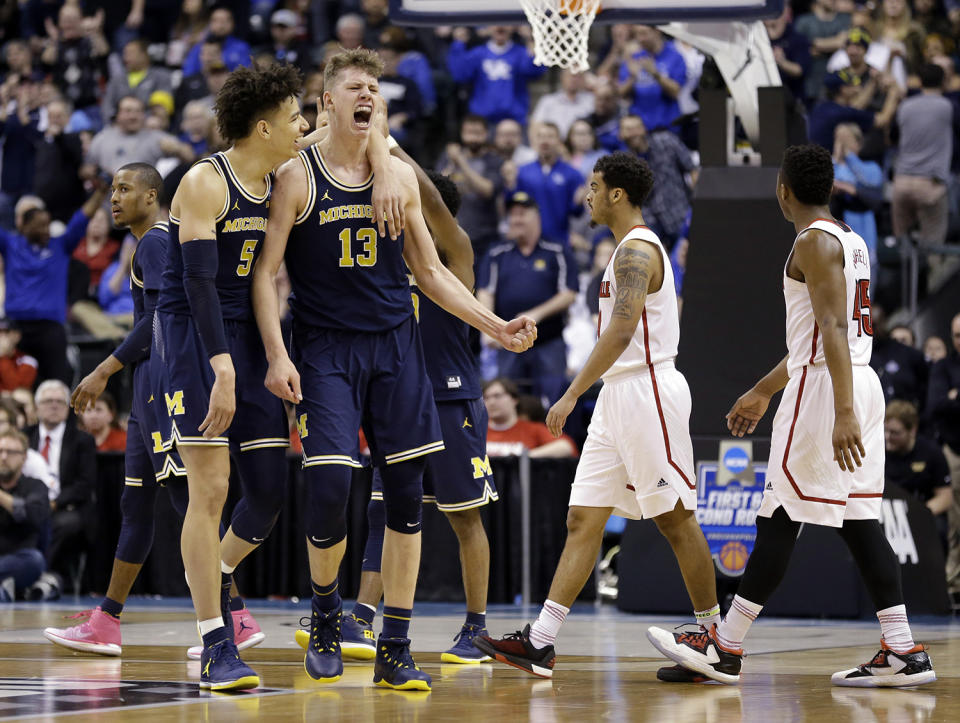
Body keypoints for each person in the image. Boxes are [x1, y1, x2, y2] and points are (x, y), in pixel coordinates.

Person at [251, 48, 536, 692]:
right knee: (328, 491)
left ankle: (396, 645)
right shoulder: (297, 174)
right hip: (324, 348)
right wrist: (276, 354)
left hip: (395, 349)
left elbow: (432, 272)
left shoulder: (400, 181)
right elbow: (268, 274)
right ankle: (327, 613)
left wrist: (496, 326)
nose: (367, 95)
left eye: (374, 89)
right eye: (354, 86)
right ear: (327, 101)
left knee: (407, 500)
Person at [647, 144, 936, 688]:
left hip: (831, 388)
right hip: (857, 380)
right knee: (860, 520)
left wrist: (841, 412)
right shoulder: (852, 241)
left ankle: (724, 645)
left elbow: (830, 331)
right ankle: (903, 649)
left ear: (784, 190)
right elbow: (817, 335)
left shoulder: (811, 242)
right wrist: (762, 390)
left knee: (780, 514)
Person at [476, 152, 719, 682]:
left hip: (648, 388)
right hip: (617, 396)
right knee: (582, 517)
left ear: (615, 194)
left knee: (674, 517)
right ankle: (540, 642)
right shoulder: (619, 252)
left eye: (593, 186)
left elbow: (623, 330)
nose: (585, 195)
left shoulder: (637, 250)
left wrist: (568, 394)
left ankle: (715, 636)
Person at [295, 153, 501, 665]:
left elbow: (435, 210)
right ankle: (361, 616)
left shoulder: (453, 251)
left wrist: (388, 154)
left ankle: (476, 625)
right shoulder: (385, 255)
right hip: (397, 394)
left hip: (451, 395)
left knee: (463, 516)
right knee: (384, 509)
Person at [151, 65, 307, 691]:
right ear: (263, 126)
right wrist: (220, 366)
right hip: (193, 335)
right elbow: (195, 283)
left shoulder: (280, 174)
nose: (306, 127)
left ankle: (209, 578)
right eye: (297, 117)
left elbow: (359, 138)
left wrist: (273, 355)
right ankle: (215, 639)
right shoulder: (203, 181)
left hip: (246, 333)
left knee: (268, 491)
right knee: (209, 490)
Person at [41, 163, 193, 656]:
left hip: (165, 382)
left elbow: (156, 322)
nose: (114, 198)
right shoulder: (146, 243)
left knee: (187, 503)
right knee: (136, 505)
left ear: (152, 196)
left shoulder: (156, 241)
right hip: (147, 385)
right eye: (112, 190)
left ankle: (230, 614)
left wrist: (104, 368)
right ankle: (108, 619)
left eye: (125, 189)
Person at [0, 184, 108, 384]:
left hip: (50, 329)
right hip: (16, 330)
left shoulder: (61, 245)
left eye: (47, 224)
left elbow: (82, 217)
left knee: (57, 384)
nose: (45, 230)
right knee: (14, 385)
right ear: (22, 225)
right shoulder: (10, 245)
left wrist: (101, 193)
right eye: (39, 225)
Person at [478, 192, 579, 406]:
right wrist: (487, 328)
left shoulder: (557, 251)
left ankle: (556, 439)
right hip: (509, 341)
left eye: (522, 214)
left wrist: (535, 314)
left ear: (537, 217)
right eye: (512, 215)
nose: (515, 219)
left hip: (548, 341)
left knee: (555, 400)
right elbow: (485, 291)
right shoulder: (497, 253)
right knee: (507, 398)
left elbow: (569, 293)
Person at [28, 380, 96, 586]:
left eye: (60, 401)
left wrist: (55, 503)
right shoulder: (24, 435)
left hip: (64, 506)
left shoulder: (82, 440)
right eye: (48, 401)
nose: (54, 405)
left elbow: (85, 484)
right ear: (37, 406)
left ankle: (38, 575)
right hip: (28, 501)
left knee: (67, 524)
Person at [892, 64, 955, 248]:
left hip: (902, 182)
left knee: (902, 248)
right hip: (931, 185)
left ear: (919, 81)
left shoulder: (905, 106)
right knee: (932, 249)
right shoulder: (947, 106)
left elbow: (893, 136)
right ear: (944, 81)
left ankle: (905, 277)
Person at [447, 26, 546, 127]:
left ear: (512, 28)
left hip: (514, 120)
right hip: (483, 120)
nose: (500, 27)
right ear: (489, 28)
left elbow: (535, 72)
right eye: (495, 25)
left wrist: (531, 41)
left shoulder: (521, 53)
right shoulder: (479, 53)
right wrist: (458, 44)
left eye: (504, 24)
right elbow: (460, 75)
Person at [884, 400, 952, 526]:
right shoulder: (879, 452)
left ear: (912, 430)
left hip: (920, 513)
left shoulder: (931, 453)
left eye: (895, 433)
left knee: (939, 526)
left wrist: (917, 513)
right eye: (886, 431)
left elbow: (945, 498)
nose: (887, 437)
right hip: (886, 514)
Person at [0, 429, 50, 602]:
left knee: (35, 561)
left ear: (24, 457)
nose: (4, 457)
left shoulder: (35, 486)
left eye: (11, 452)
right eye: (0, 451)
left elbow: (33, 514)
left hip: (18, 558)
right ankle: (5, 588)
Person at [483, 377, 577, 458]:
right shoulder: (477, 431)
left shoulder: (533, 429)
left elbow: (566, 447)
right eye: (486, 398)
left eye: (497, 396)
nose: (491, 402)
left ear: (514, 399)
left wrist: (526, 457)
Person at [617, 25, 686, 133]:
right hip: (640, 130)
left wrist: (655, 74)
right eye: (637, 34)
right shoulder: (634, 58)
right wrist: (632, 77)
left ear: (657, 32)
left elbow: (676, 92)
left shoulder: (675, 56)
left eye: (644, 33)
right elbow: (620, 94)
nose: (640, 38)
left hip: (667, 128)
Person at [0, 319, 38, 392]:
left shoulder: (28, 360)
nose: (1, 336)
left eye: (6, 332)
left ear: (17, 336)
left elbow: (17, 390)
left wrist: (3, 357)